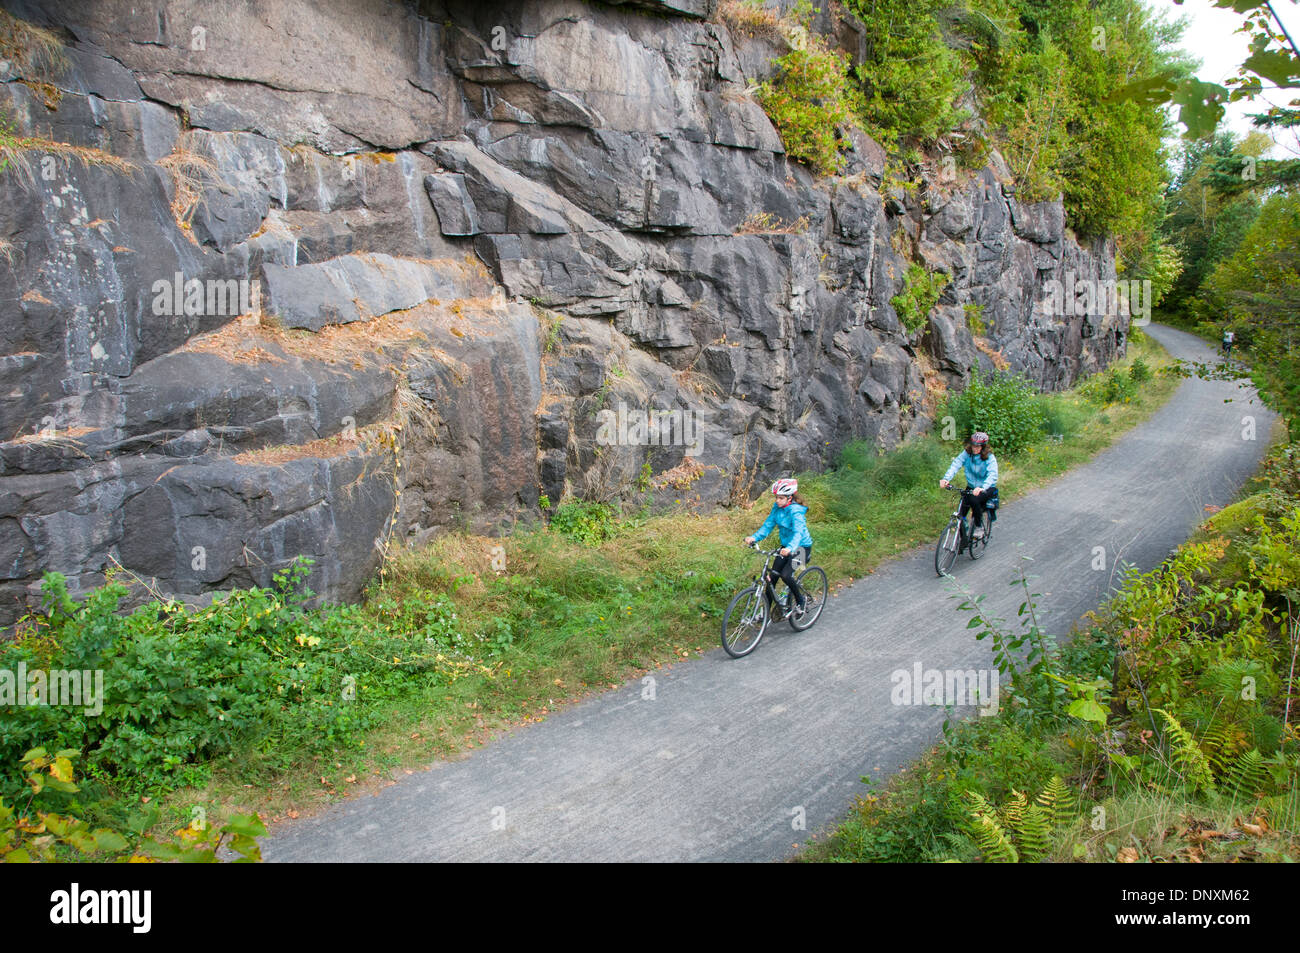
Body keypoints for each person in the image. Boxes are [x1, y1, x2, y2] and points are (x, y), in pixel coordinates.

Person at [744, 478, 814, 614]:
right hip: (786, 547)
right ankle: (765, 613)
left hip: (801, 548)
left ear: (790, 497)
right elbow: (768, 525)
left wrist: (790, 548)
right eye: (776, 497)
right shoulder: (777, 508)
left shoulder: (796, 511)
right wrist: (754, 537)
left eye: (781, 498)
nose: (777, 500)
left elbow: (798, 532)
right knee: (772, 578)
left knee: (786, 575)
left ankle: (801, 601)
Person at [939, 432, 999, 540]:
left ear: (983, 446)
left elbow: (993, 475)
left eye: (978, 446)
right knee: (961, 513)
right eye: (973, 445)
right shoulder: (967, 454)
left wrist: (982, 487)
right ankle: (963, 537)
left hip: (987, 488)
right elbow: (956, 464)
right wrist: (946, 479)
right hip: (971, 487)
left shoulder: (990, 458)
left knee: (974, 500)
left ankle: (979, 526)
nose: (974, 448)